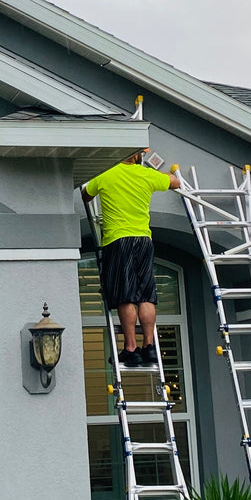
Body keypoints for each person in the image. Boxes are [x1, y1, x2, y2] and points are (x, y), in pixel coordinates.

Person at [81, 150, 180, 367]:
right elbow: (175, 182)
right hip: (144, 240)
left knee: (126, 296)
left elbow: (86, 194)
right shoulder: (146, 175)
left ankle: (131, 348)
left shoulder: (106, 174)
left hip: (118, 241)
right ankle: (150, 346)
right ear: (136, 156)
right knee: (146, 294)